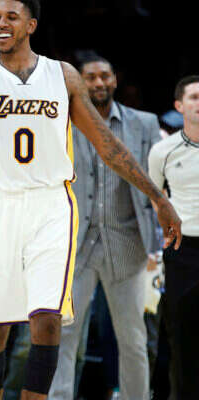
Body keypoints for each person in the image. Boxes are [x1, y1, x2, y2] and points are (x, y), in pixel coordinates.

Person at [0, 1, 182, 399]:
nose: (1, 23)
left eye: (11, 17)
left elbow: (106, 143)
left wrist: (156, 197)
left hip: (52, 205)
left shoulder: (62, 76)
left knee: (48, 319)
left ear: (31, 25)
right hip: (0, 203)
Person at [48, 55, 161, 400]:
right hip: (74, 246)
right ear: (78, 82)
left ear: (114, 80)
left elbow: (157, 184)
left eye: (104, 76)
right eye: (91, 77)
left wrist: (155, 243)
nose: (98, 83)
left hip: (127, 243)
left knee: (133, 338)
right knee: (63, 336)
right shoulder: (60, 123)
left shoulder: (144, 123)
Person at [148, 75, 199, 399]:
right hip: (183, 250)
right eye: (194, 97)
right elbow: (155, 197)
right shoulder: (162, 151)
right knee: (183, 342)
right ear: (179, 105)